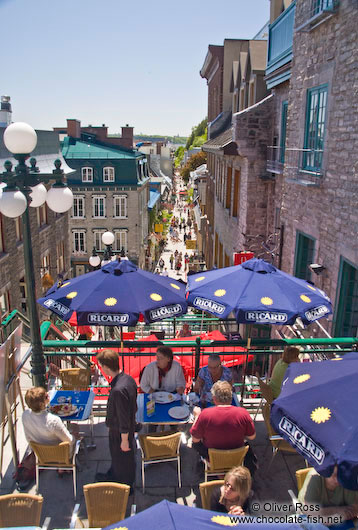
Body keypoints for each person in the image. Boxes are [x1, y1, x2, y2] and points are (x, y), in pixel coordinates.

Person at [95, 349, 137, 490]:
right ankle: (114, 475)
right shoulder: (128, 379)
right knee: (119, 458)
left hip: (119, 431)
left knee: (122, 459)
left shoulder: (118, 390)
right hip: (125, 428)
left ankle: (124, 487)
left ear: (106, 367)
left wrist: (124, 441)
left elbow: (123, 417)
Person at [190, 381, 255, 460]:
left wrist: (197, 416)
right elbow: (252, 436)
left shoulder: (205, 415)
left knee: (195, 444)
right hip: (236, 458)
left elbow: (195, 439)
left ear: (214, 398)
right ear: (231, 398)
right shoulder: (243, 413)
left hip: (213, 459)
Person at [22, 387, 75, 458]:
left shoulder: (25, 415)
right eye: (46, 396)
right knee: (75, 428)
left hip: (40, 454)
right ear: (41, 404)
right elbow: (69, 440)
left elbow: (28, 438)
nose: (48, 396)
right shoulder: (53, 420)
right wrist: (74, 437)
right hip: (61, 454)